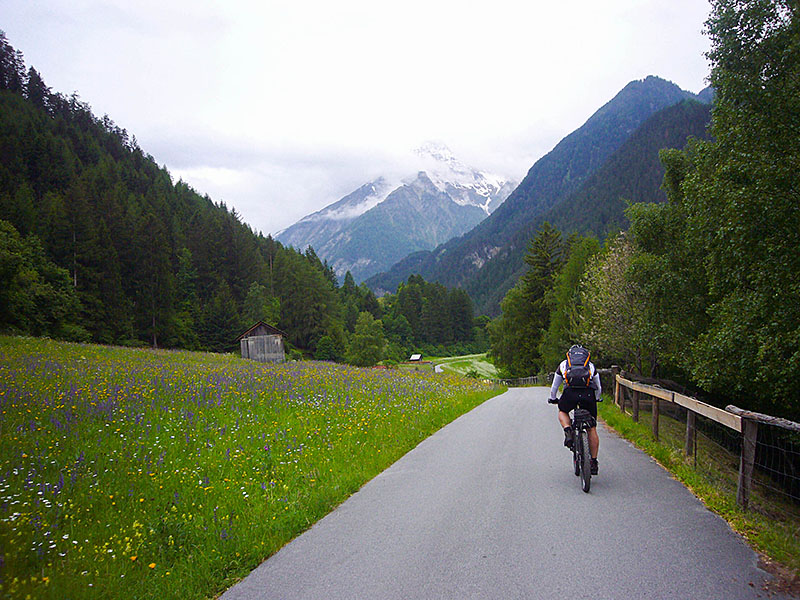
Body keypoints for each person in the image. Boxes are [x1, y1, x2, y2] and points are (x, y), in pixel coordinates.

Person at [548, 344, 602, 474]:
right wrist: (597, 398)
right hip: (588, 395)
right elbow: (598, 387)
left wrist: (553, 398)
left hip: (570, 394)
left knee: (562, 411)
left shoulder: (564, 364)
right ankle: (593, 462)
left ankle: (568, 430)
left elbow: (554, 387)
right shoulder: (590, 365)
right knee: (591, 428)